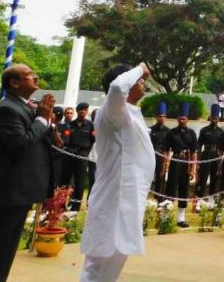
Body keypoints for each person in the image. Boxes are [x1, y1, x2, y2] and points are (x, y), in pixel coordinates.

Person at [0, 64, 55, 282]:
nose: (35, 77)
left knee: (3, 257)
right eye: (29, 75)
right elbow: (20, 145)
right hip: (5, 195)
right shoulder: (7, 109)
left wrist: (45, 120)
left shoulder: (24, 107)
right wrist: (42, 119)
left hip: (17, 195)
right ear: (14, 83)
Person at [79, 62, 155, 282]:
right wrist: (140, 68)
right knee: (99, 262)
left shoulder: (128, 112)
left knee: (115, 261)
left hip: (128, 198)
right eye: (139, 81)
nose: (143, 83)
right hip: (114, 198)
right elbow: (116, 88)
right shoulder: (112, 110)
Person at [165, 102, 197, 227]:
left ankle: (181, 218)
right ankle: (166, 216)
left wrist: (193, 168)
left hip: (186, 162)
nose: (182, 120)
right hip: (175, 160)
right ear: (177, 119)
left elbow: (194, 152)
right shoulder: (171, 133)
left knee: (184, 189)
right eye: (180, 118)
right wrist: (166, 164)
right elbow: (166, 150)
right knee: (171, 187)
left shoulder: (192, 133)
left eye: (184, 118)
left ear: (187, 119)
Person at [60, 101, 95, 211]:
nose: (83, 112)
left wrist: (85, 152)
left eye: (85, 110)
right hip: (69, 155)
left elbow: (93, 140)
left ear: (87, 111)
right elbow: (65, 140)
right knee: (64, 181)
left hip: (82, 156)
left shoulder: (90, 125)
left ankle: (75, 208)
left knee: (79, 183)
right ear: (77, 111)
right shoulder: (70, 125)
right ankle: (60, 205)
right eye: (81, 110)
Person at [196, 104, 223, 202]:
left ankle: (212, 199)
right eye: (212, 118)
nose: (214, 120)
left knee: (214, 177)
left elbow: (221, 148)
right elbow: (199, 146)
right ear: (210, 118)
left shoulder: (221, 131)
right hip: (206, 154)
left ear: (218, 119)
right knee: (203, 176)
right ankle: (200, 199)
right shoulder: (204, 130)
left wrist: (220, 161)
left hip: (216, 155)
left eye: (216, 118)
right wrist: (198, 160)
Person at [149, 102, 169, 201]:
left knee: (161, 177)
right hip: (151, 156)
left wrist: (166, 160)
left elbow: (168, 148)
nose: (161, 118)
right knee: (148, 177)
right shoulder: (150, 130)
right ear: (156, 117)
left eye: (163, 116)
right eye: (160, 116)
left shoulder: (168, 131)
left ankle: (159, 199)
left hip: (162, 155)